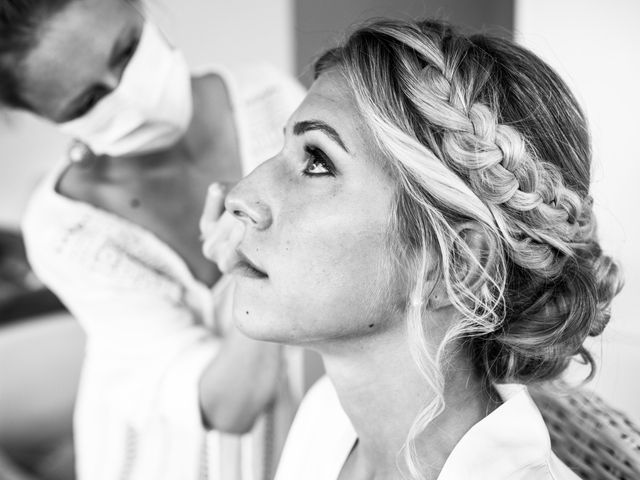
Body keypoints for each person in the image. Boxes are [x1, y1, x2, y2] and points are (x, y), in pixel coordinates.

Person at [202, 18, 623, 480]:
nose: (240, 195)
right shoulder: (326, 417)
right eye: (284, 149)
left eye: (318, 161)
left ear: (458, 266)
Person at [0, 0, 305, 479]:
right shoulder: (66, 230)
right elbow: (231, 407)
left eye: (125, 51)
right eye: (85, 103)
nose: (130, 93)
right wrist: (261, 272)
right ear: (50, 118)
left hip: (282, 444)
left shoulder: (272, 102)